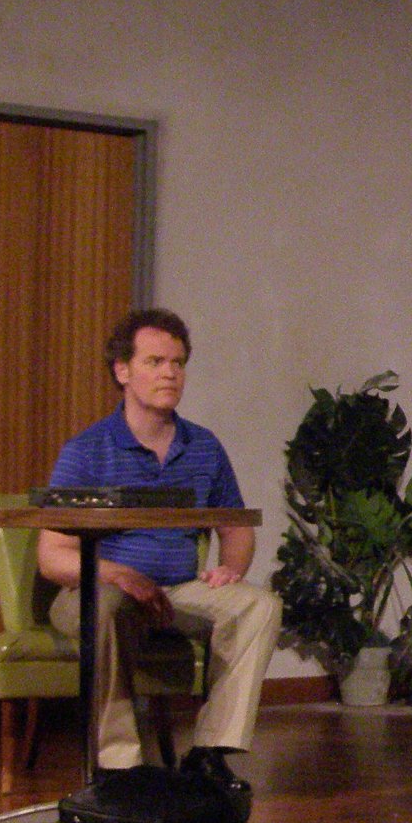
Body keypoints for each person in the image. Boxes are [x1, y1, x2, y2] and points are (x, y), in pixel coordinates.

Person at [37, 308, 281, 792]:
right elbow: (53, 556)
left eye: (178, 362)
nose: (170, 373)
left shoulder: (203, 446)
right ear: (122, 371)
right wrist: (116, 574)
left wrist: (230, 568)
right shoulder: (87, 451)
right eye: (154, 362)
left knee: (259, 605)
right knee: (106, 607)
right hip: (98, 591)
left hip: (178, 590)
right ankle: (119, 766)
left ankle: (211, 751)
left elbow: (235, 525)